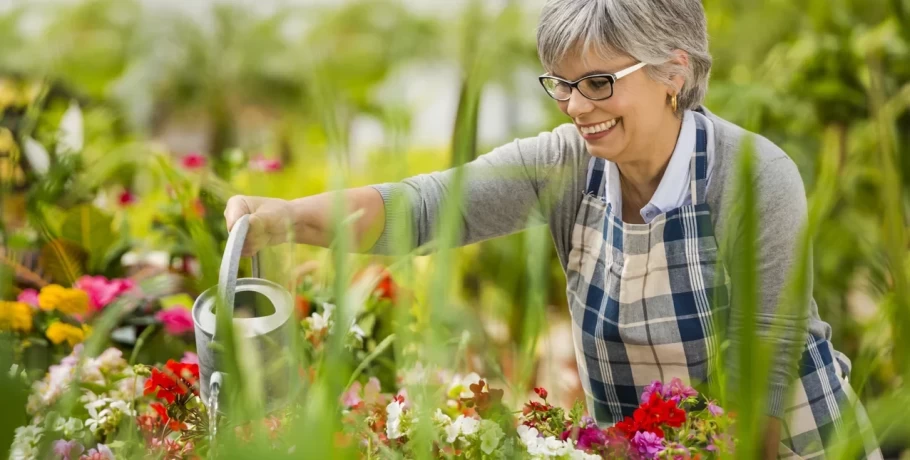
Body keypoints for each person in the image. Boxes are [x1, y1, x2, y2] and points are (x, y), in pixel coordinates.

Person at [223, 0, 881, 457]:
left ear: (673, 73)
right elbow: (424, 207)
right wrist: (286, 220)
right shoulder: (564, 165)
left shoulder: (752, 177)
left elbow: (761, 378)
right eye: (562, 84)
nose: (576, 107)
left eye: (598, 81)